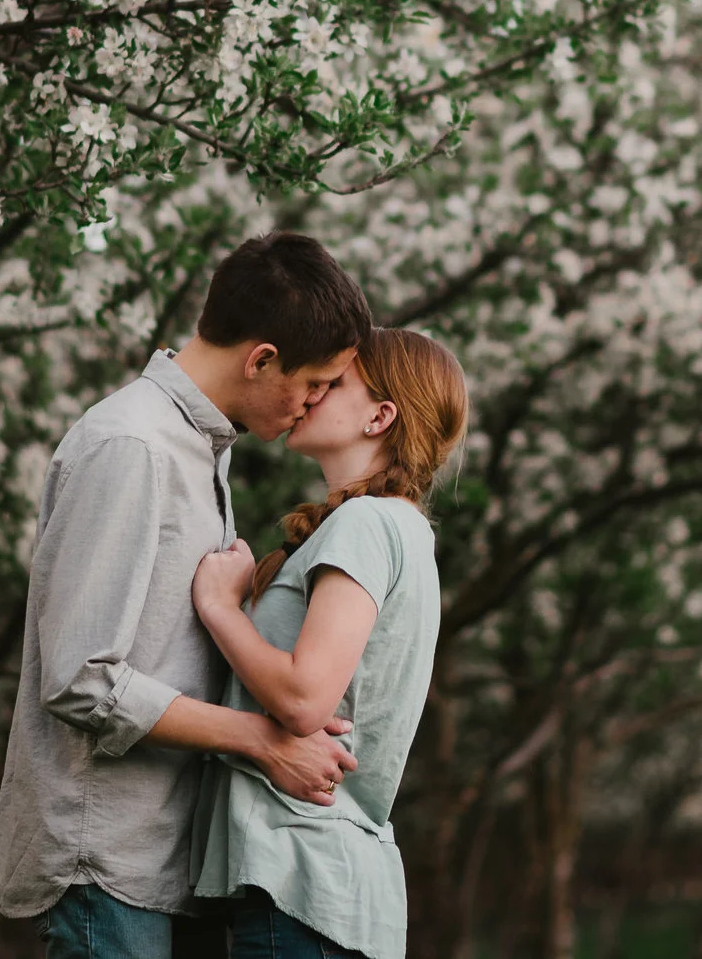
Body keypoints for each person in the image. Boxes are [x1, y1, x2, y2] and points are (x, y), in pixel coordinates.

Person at [0, 232, 374, 959]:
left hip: (160, 863)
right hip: (102, 861)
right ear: (262, 359)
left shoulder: (196, 447)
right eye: (316, 382)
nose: (318, 402)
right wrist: (265, 742)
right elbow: (80, 677)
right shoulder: (132, 446)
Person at [188, 327, 470, 959]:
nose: (310, 392)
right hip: (319, 889)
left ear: (381, 416)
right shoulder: (392, 527)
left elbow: (304, 699)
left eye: (333, 382)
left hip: (301, 882)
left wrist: (218, 606)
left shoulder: (368, 523)